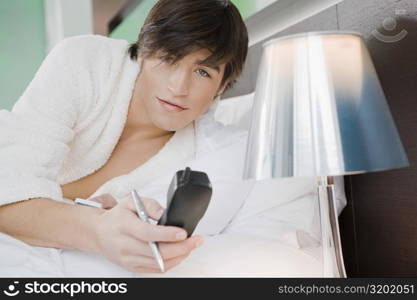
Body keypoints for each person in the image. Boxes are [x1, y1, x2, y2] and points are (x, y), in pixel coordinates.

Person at [0, 0, 248, 274]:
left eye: (203, 72)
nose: (178, 87)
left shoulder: (206, 154)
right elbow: (8, 190)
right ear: (143, 50)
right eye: (168, 58)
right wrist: (96, 228)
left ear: (222, 86)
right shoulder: (83, 62)